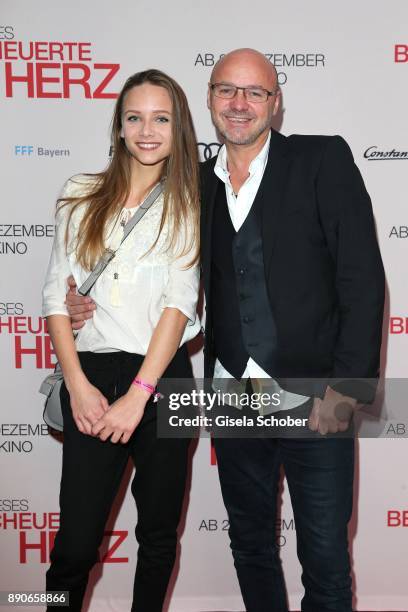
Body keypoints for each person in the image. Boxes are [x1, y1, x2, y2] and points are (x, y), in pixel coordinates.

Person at [66, 49, 385, 612]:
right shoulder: (191, 183)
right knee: (251, 548)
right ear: (210, 100)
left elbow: (362, 281)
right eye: (226, 91)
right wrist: (81, 300)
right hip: (233, 397)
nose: (239, 104)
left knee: (327, 561)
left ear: (275, 102)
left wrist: (347, 390)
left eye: (254, 92)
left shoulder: (321, 160)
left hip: (317, 397)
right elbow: (155, 271)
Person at [42, 69, 200, 612]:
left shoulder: (192, 200)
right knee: (75, 545)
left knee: (157, 537)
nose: (147, 130)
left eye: (162, 118)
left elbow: (180, 303)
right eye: (135, 117)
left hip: (164, 380)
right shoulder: (79, 193)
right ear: (119, 126)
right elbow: (54, 298)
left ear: (179, 128)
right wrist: (80, 388)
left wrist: (139, 395)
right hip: (93, 377)